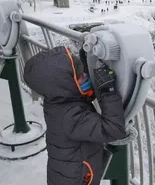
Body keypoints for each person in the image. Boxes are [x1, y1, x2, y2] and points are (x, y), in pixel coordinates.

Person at [23, 46, 126, 185]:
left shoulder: (57, 101)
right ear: (66, 86)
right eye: (81, 75)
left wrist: (86, 58)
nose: (85, 75)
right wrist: (108, 91)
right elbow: (114, 129)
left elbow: (80, 97)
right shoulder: (70, 116)